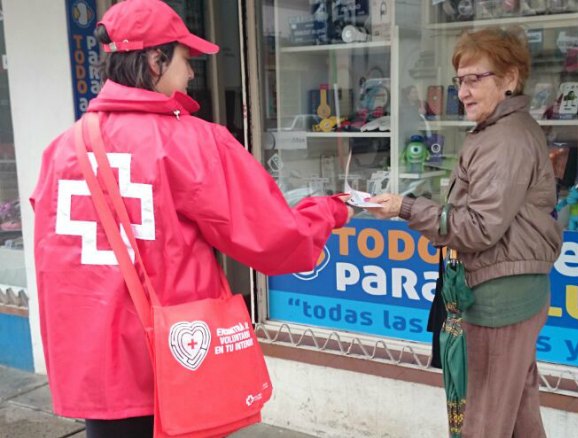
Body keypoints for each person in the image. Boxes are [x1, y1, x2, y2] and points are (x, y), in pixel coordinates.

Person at [30, 1, 353, 437]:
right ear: (154, 59)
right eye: (185, 59)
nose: (191, 73)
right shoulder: (194, 143)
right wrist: (331, 211)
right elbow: (273, 237)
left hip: (96, 366)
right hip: (174, 359)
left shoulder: (62, 148)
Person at [366, 26, 562, 437]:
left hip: (500, 299)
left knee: (486, 418)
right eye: (460, 80)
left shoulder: (504, 139)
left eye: (477, 78)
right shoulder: (500, 131)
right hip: (511, 292)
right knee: (517, 407)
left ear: (510, 79)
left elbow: (476, 229)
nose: (464, 91)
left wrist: (405, 207)